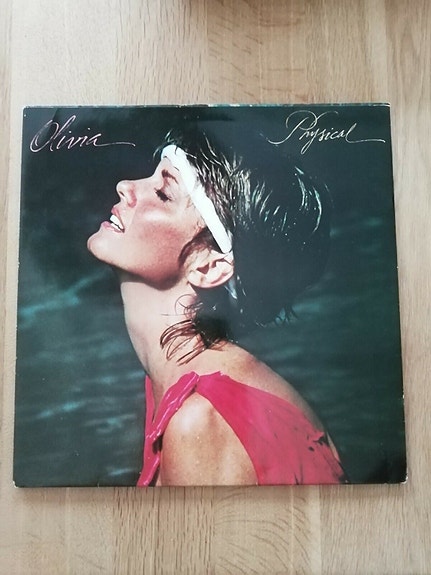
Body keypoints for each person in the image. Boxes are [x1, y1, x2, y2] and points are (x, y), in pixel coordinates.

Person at [87, 125, 346, 486]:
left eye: (163, 193)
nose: (125, 186)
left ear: (210, 267)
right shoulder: (179, 386)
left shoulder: (202, 418)